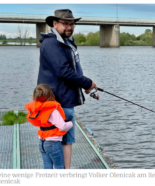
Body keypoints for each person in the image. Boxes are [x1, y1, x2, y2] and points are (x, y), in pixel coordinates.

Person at [38, 9, 97, 169]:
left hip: (65, 100)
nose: (69, 27)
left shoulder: (66, 42)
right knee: (55, 142)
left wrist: (84, 84)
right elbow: (63, 70)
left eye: (72, 24)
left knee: (67, 141)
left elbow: (73, 67)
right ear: (55, 23)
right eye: (65, 24)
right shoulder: (51, 43)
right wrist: (86, 82)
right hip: (56, 102)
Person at [25, 84, 73, 169]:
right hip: (53, 143)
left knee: (47, 166)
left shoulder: (37, 110)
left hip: (42, 142)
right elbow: (62, 126)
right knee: (60, 167)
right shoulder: (52, 110)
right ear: (50, 95)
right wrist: (70, 124)